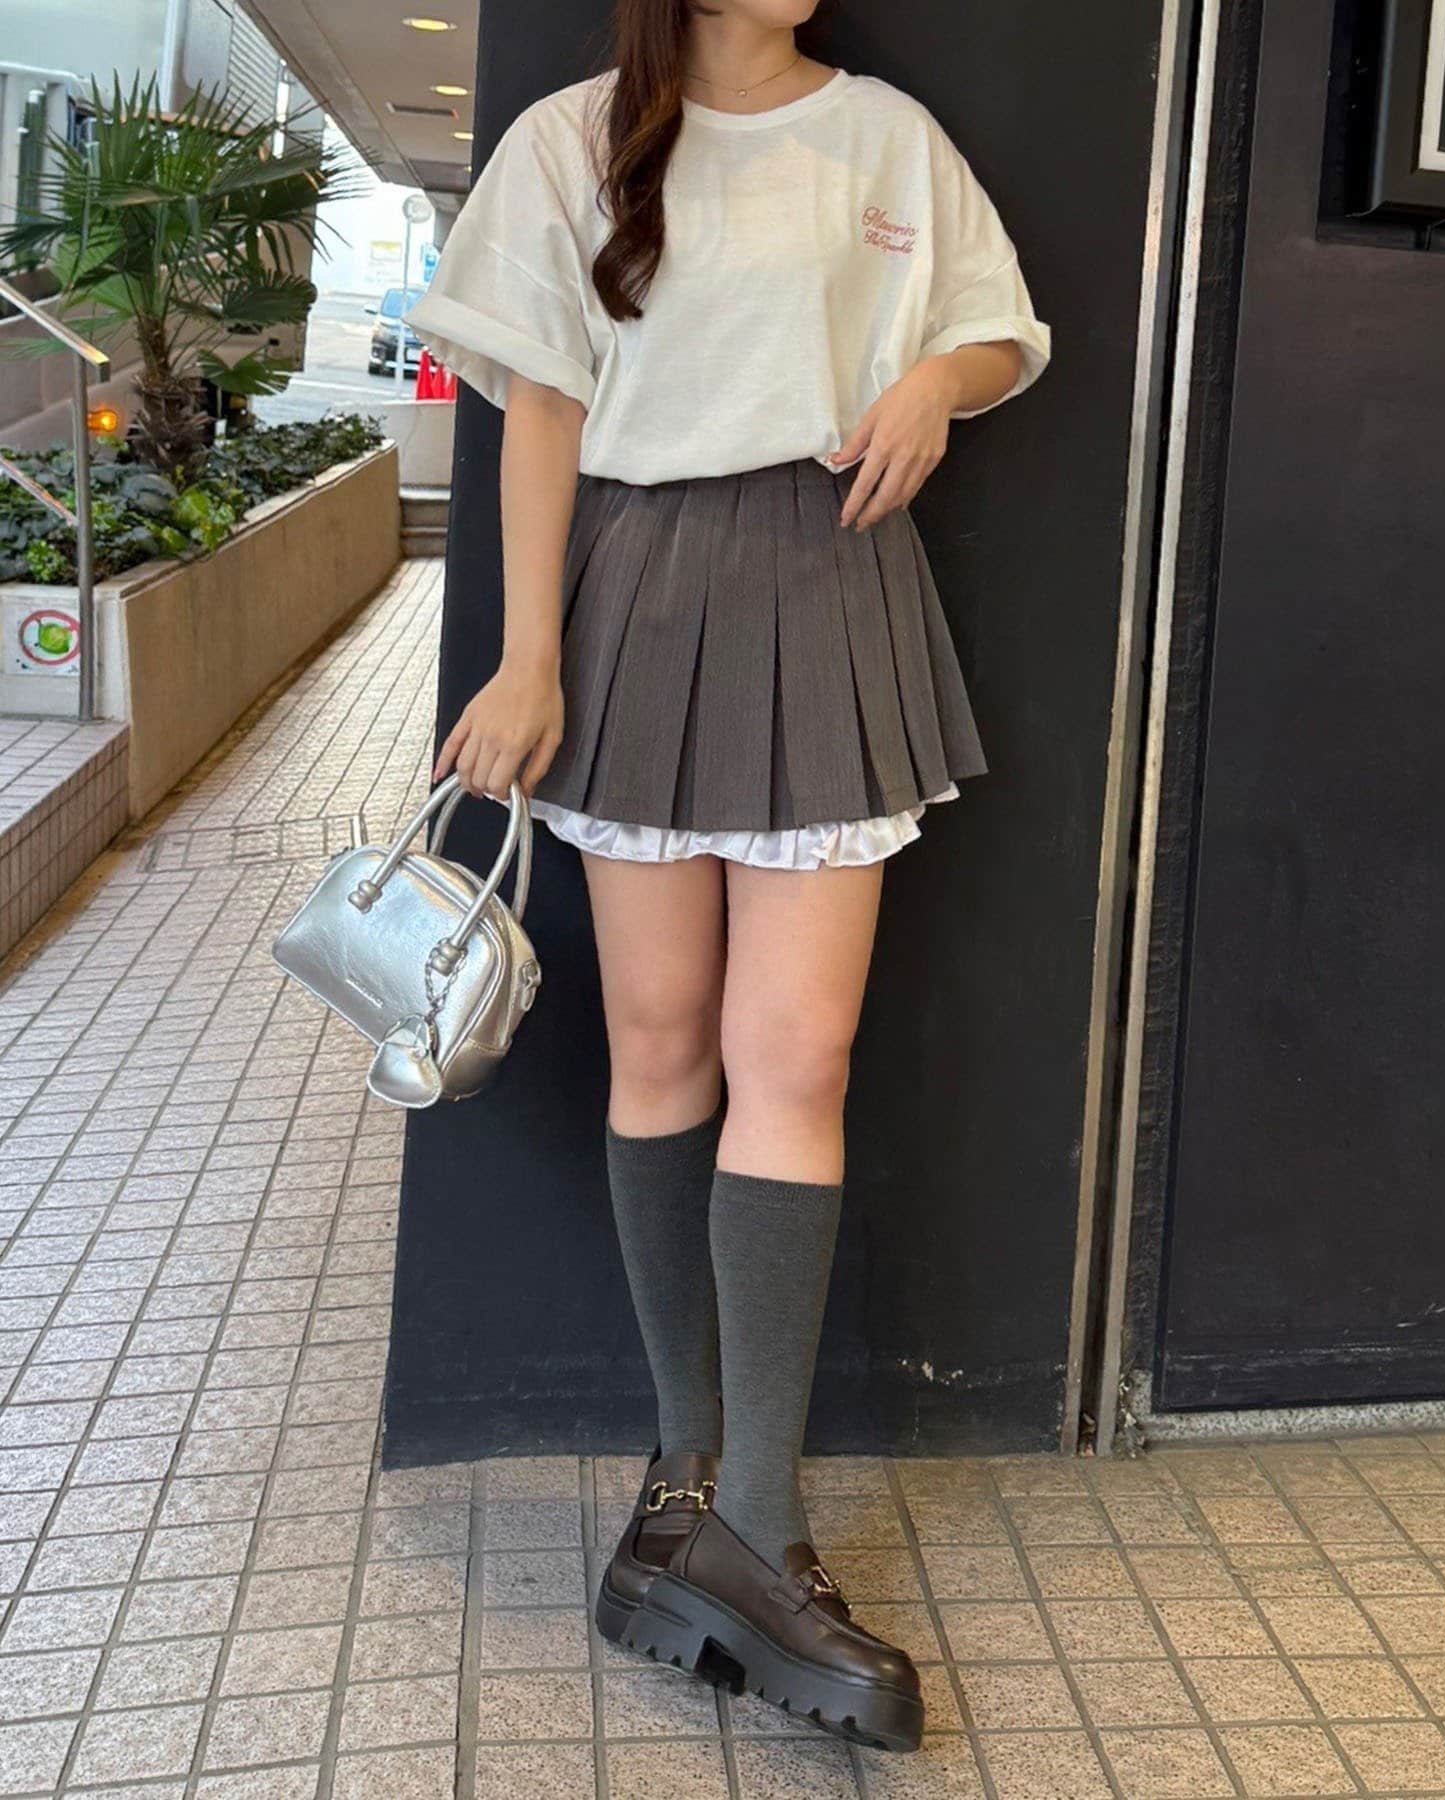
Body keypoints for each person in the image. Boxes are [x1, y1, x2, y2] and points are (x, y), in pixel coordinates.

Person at [405, 0, 1049, 1753]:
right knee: (663, 1044)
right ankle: (686, 1477)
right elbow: (541, 409)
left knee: (799, 1055)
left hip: (836, 586)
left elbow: (998, 324)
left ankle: (758, 1518)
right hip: (641, 585)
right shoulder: (571, 136)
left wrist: (936, 380)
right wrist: (526, 657)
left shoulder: (887, 133)